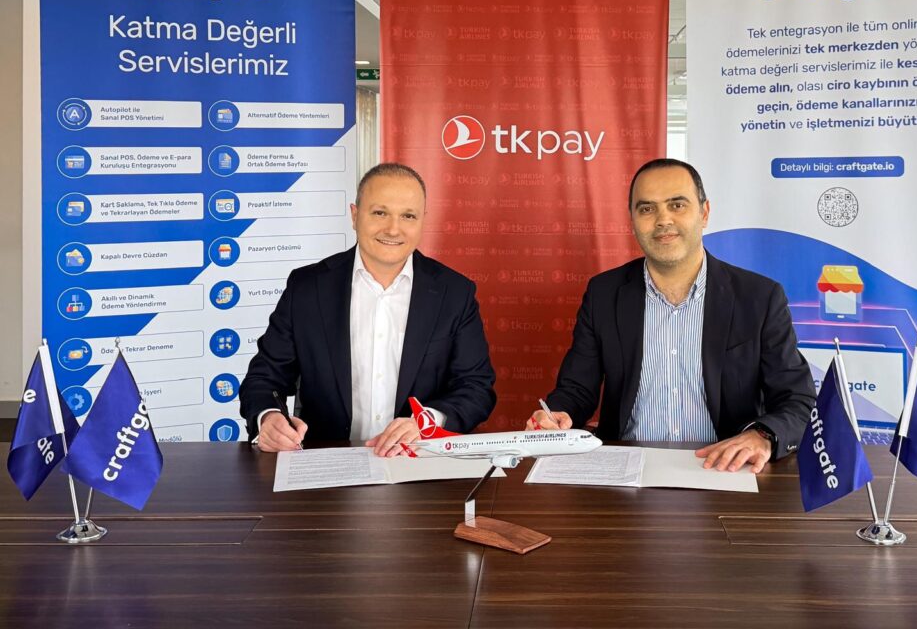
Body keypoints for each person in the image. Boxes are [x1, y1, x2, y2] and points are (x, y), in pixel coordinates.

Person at [527, 158, 814, 474]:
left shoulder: (759, 297)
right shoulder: (604, 294)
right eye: (647, 209)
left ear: (704, 213)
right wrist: (558, 415)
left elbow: (797, 399)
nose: (663, 219)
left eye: (677, 205)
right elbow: (576, 389)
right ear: (633, 221)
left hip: (724, 469)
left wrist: (762, 436)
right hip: (626, 470)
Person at [240, 163, 496, 454]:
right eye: (379, 213)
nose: (393, 229)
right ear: (354, 215)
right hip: (328, 462)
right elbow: (264, 377)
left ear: (423, 221)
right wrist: (268, 418)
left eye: (408, 216)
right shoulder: (307, 288)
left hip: (419, 461)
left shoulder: (455, 293)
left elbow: (476, 388)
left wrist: (426, 423)